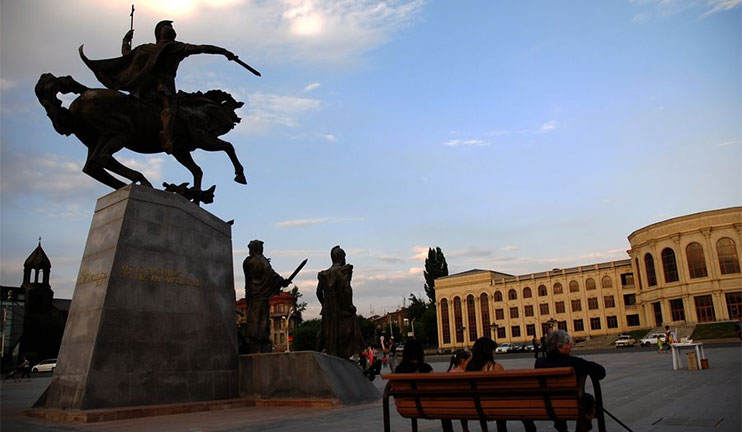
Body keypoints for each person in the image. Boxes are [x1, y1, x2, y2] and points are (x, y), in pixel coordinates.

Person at [80, 20, 239, 154]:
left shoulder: (147, 48)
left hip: (144, 87)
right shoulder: (175, 47)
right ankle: (167, 137)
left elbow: (127, 55)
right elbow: (202, 48)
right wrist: (224, 52)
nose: (172, 31)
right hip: (163, 85)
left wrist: (125, 41)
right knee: (169, 107)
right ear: (170, 34)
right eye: (171, 29)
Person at [535, 330, 606, 432]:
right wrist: (588, 364)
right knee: (588, 399)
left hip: (549, 405)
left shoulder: (539, 363)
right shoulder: (573, 362)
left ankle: (562, 429)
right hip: (573, 403)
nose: (571, 346)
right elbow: (601, 372)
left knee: (555, 396)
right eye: (568, 344)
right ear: (560, 347)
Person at [466, 338, 536, 432]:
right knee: (523, 413)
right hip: (496, 407)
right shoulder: (495, 367)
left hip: (477, 407)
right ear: (488, 352)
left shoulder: (469, 368)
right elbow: (507, 388)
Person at [316, 245, 365, 359]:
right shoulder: (344, 270)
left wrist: (324, 304)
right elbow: (347, 288)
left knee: (325, 331)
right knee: (351, 326)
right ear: (340, 257)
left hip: (328, 309)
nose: (345, 259)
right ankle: (358, 354)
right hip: (340, 308)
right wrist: (349, 305)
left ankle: (318, 355)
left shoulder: (324, 274)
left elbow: (318, 292)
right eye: (344, 256)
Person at [243, 240, 291, 353]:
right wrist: (283, 282)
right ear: (258, 249)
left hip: (251, 294)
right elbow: (271, 274)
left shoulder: (247, 262)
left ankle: (254, 339)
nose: (262, 250)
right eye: (261, 248)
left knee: (253, 317)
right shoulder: (261, 261)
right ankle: (260, 340)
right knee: (261, 319)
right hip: (261, 295)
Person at [442, 350, 473, 432]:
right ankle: (465, 429)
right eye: (469, 361)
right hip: (467, 404)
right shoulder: (466, 373)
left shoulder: (450, 373)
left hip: (452, 404)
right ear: (463, 361)